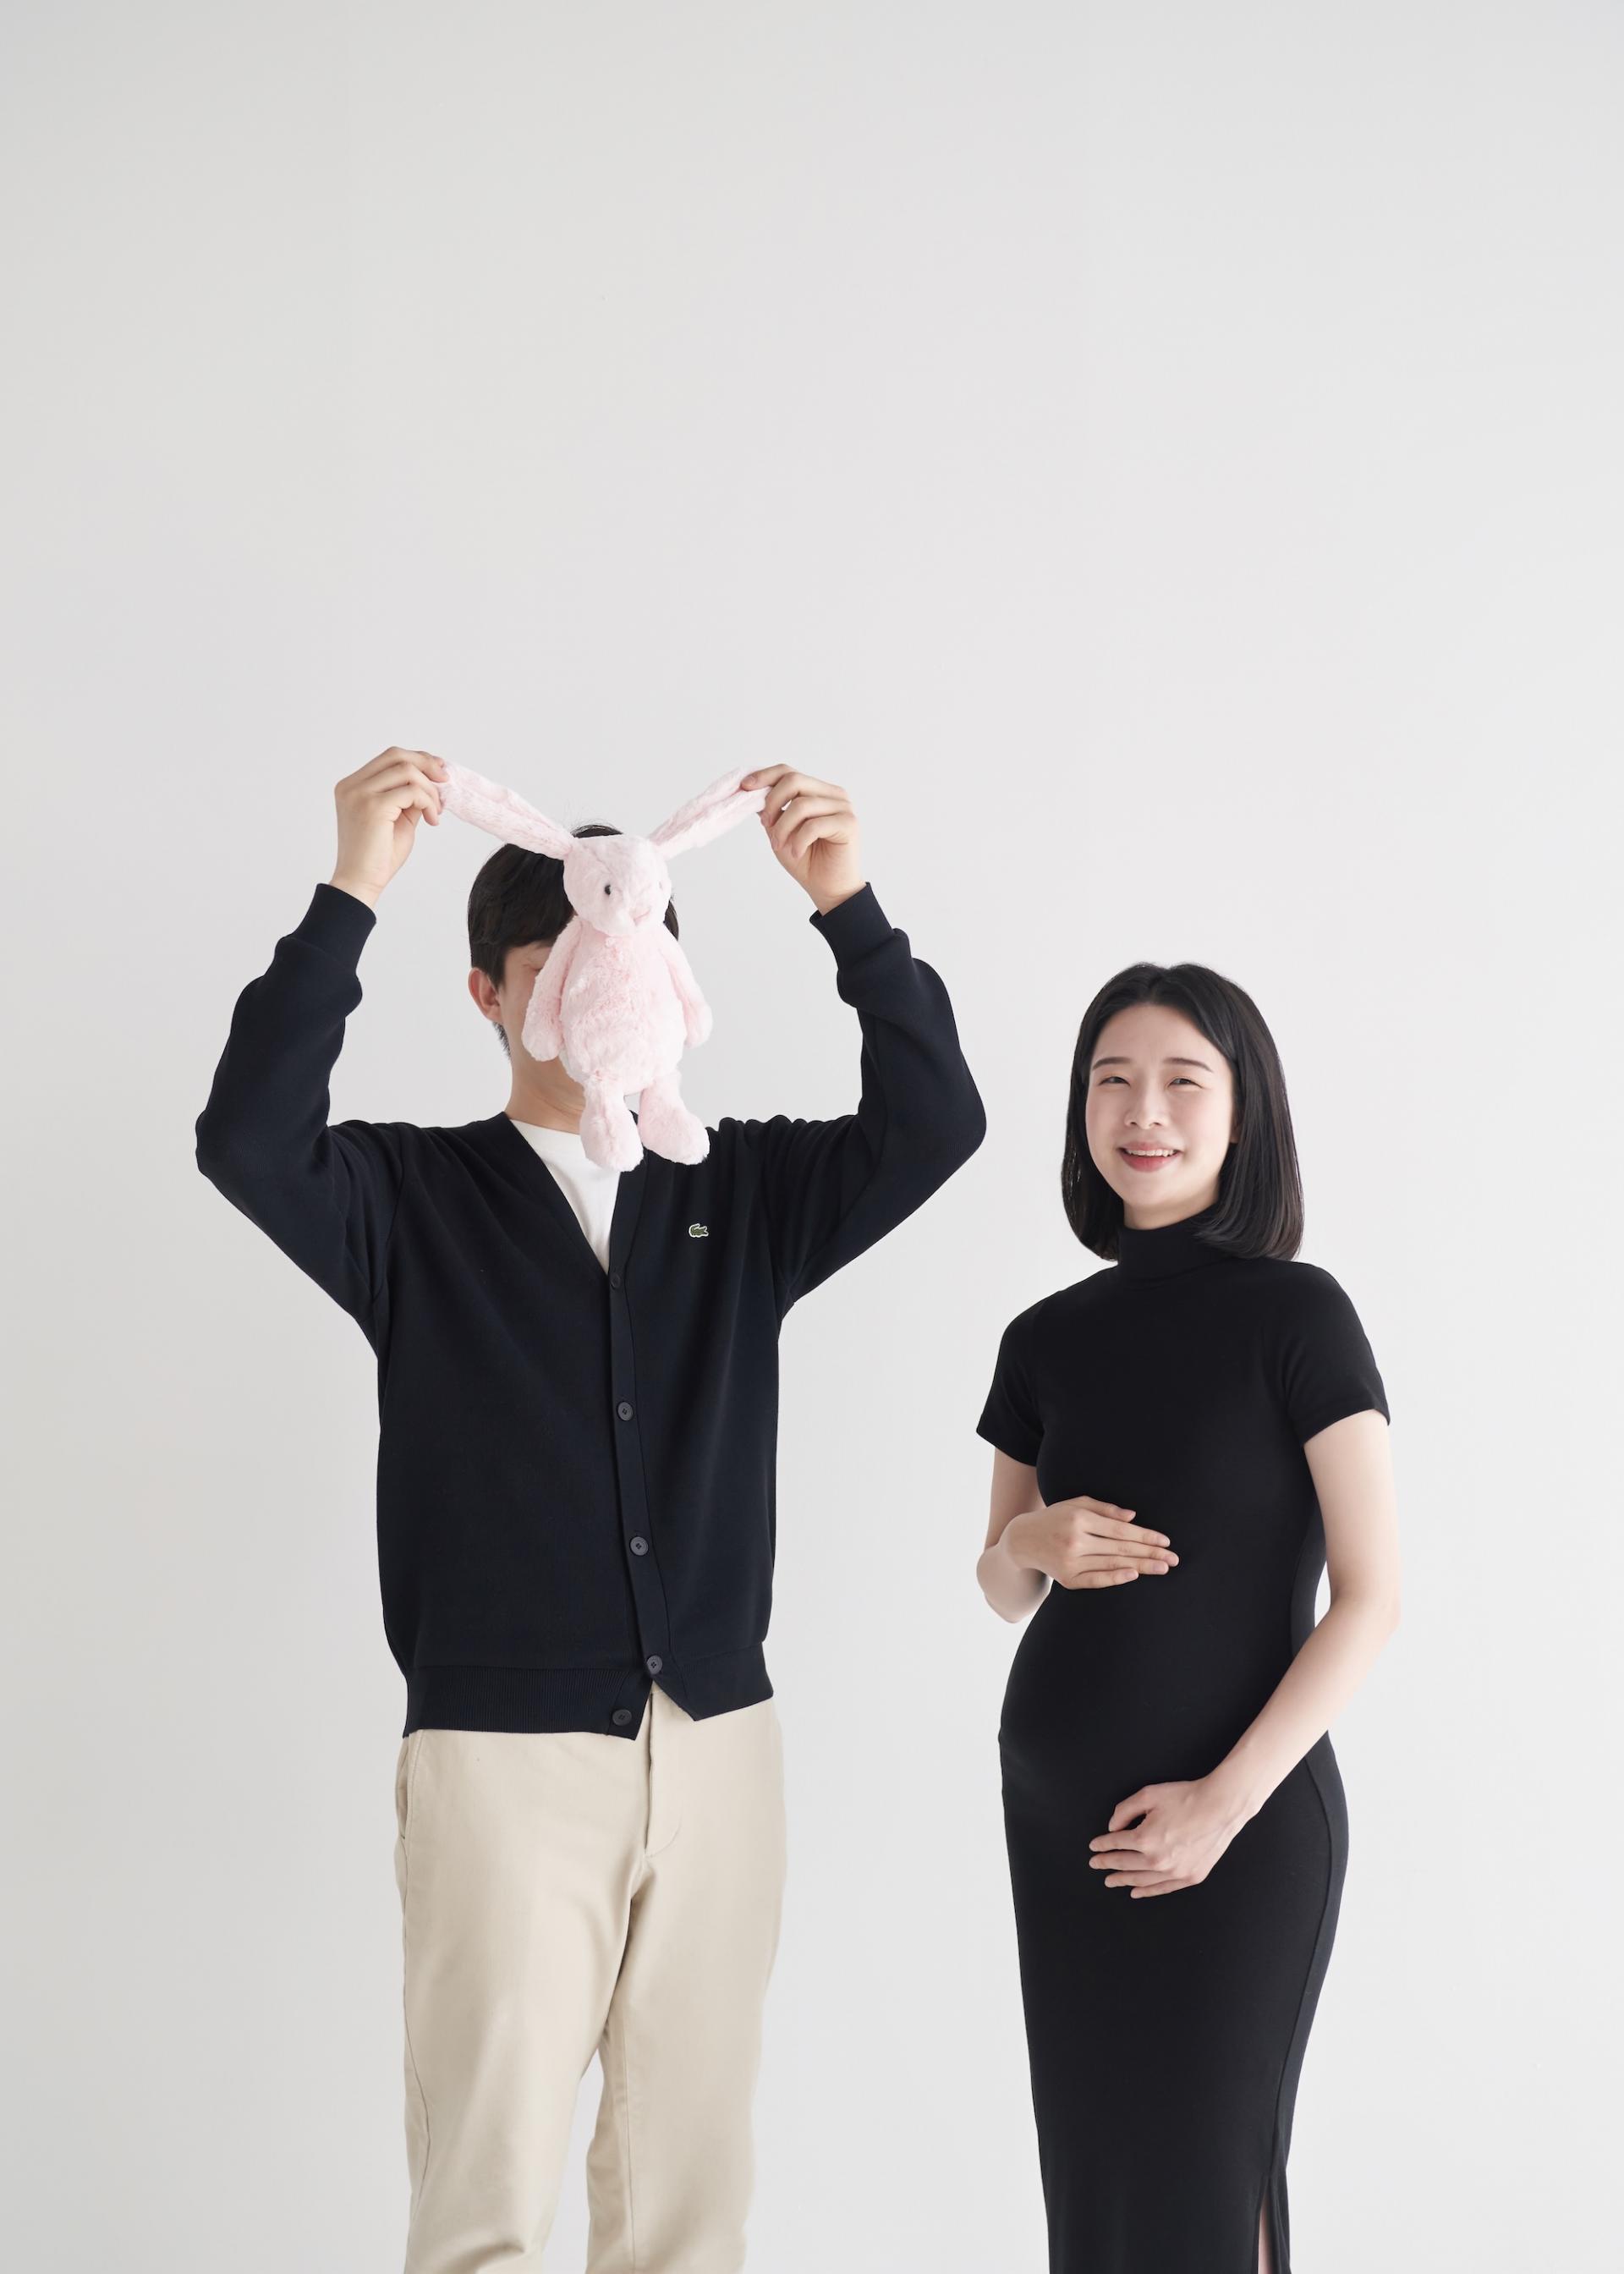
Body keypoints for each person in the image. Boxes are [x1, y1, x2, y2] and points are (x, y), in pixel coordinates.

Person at [194, 746, 985, 2273]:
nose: (600, 983)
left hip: (720, 1749)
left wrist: (851, 908)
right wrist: (353, 888)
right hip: (502, 1761)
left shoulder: (741, 1193)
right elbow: (247, 1140)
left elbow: (936, 1123)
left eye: (630, 953)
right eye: (555, 961)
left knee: (690, 2208)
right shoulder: (410, 1199)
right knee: (483, 2200)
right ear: (488, 995)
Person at [974, 964, 1399, 2274]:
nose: (1142, 1111)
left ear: (1241, 1112)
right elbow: (1001, 1585)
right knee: (1098, 2196)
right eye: (1112, 1081)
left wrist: (1223, 1805)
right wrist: (1028, 1541)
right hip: (1062, 1832)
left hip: (1241, 1829)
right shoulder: (1043, 1339)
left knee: (1214, 2194)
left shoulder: (1299, 1315)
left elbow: (1373, 1596)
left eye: (1180, 1081)